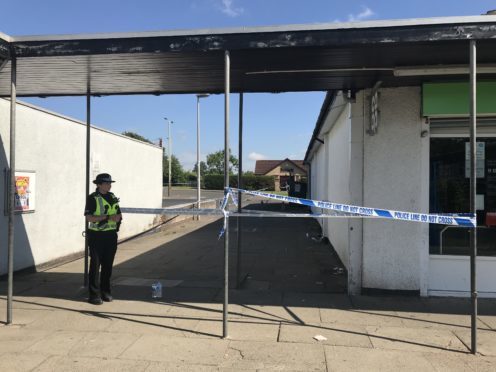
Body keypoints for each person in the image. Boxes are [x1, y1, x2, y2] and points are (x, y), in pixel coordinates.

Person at [84, 173, 122, 305]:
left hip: (111, 236)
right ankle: (94, 295)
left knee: (108, 266)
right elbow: (89, 218)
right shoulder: (92, 198)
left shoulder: (112, 197)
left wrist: (118, 219)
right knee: (95, 266)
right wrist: (107, 218)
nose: (109, 185)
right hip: (96, 236)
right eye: (106, 183)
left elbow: (118, 213)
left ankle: (106, 292)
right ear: (99, 184)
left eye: (110, 183)